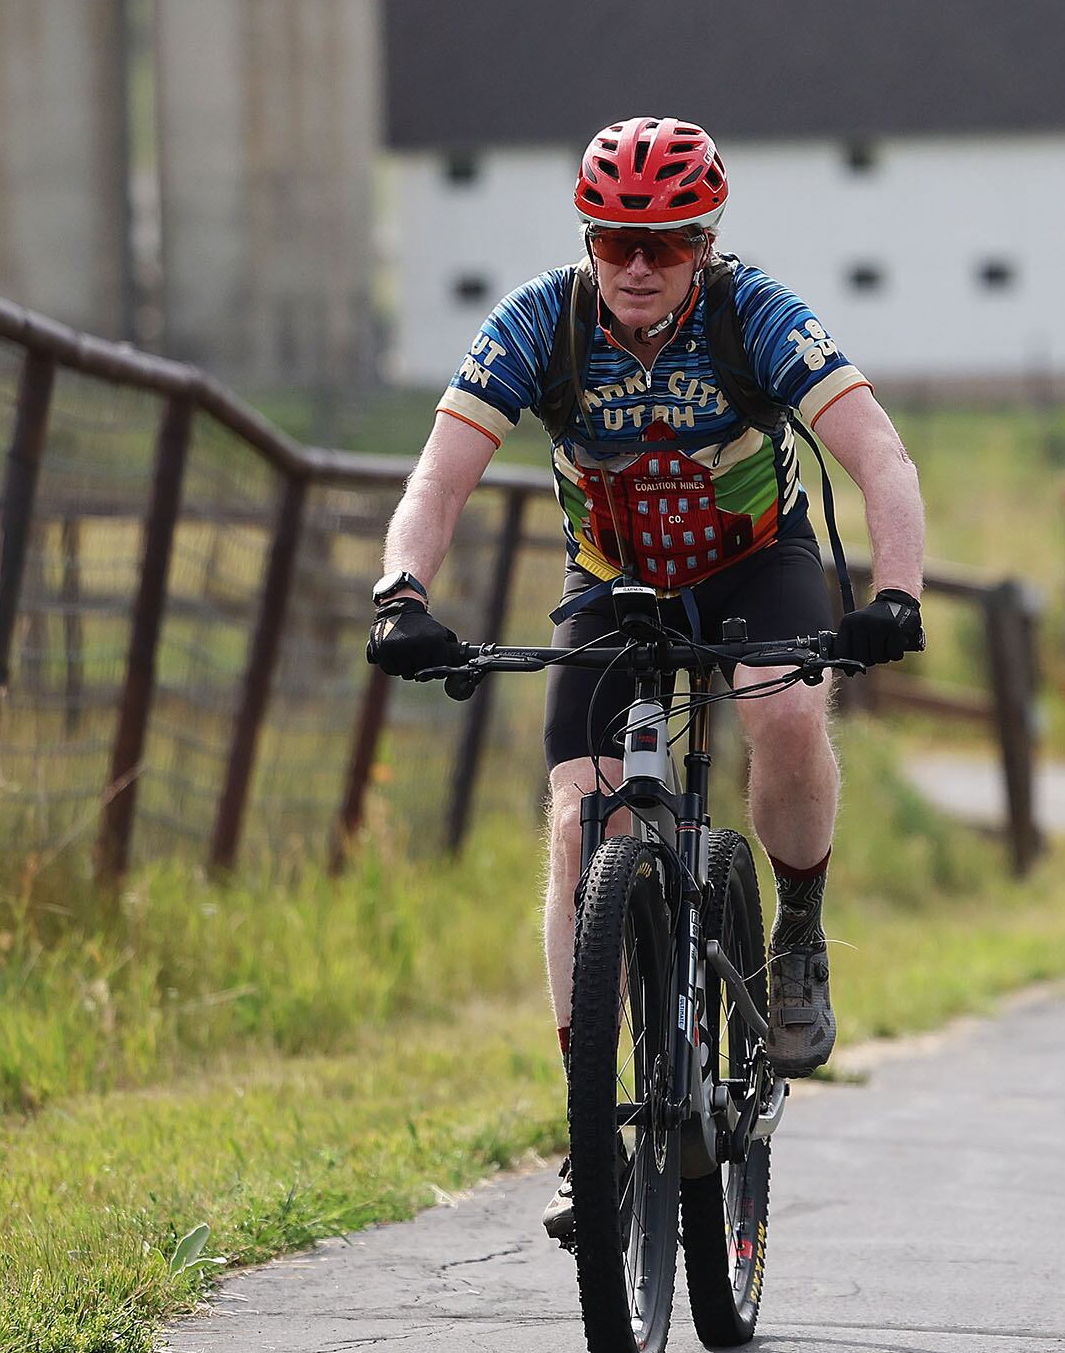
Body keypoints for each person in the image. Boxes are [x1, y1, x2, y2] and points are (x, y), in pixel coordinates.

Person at [366, 115, 928, 1244]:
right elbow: (438, 479)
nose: (636, 265)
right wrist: (400, 593)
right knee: (580, 818)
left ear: (706, 242)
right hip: (615, 580)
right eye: (614, 240)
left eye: (666, 244)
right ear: (586, 235)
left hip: (755, 561)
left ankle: (798, 928)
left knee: (779, 702)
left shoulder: (755, 314)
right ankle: (591, 1133)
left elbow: (879, 454)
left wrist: (898, 594)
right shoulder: (540, 321)